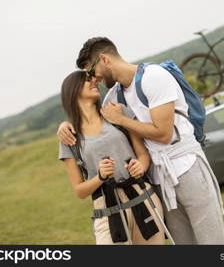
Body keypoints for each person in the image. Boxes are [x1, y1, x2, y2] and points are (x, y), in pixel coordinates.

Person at [57, 37, 224, 244]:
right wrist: (64, 126)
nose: (94, 79)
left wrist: (122, 119)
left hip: (186, 165)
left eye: (92, 72)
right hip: (158, 178)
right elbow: (91, 118)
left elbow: (163, 134)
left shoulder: (153, 77)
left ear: (104, 59)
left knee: (211, 241)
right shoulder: (113, 97)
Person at [57, 69, 165, 245]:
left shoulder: (117, 112)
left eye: (94, 79)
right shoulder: (69, 137)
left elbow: (143, 155)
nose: (95, 81)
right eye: (88, 80)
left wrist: (141, 166)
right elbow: (79, 191)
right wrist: (100, 177)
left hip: (142, 197)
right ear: (74, 89)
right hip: (107, 212)